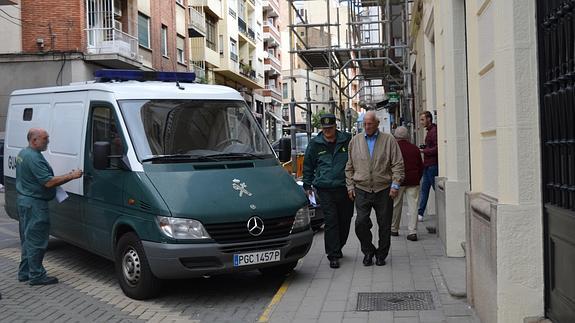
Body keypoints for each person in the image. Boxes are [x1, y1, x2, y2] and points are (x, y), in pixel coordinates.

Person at [16, 128, 83, 286]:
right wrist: (71, 175)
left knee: (27, 239)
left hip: (25, 201)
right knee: (37, 241)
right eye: (45, 139)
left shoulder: (23, 153)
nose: (48, 141)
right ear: (34, 141)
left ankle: (25, 272)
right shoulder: (34, 158)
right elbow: (48, 182)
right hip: (35, 204)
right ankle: (37, 275)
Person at [346, 111, 404, 266]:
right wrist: (350, 186)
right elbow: (349, 167)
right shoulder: (355, 141)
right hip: (362, 189)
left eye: (370, 123)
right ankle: (368, 250)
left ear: (377, 124)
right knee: (360, 222)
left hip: (383, 189)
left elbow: (398, 164)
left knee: (384, 224)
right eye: (364, 124)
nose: (367, 126)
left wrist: (395, 185)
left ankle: (381, 254)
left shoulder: (389, 140)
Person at [303, 114, 353, 269]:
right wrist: (307, 185)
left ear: (335, 127)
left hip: (345, 188)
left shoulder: (347, 140)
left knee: (345, 220)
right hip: (324, 189)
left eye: (330, 128)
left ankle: (339, 246)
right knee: (331, 221)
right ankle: (333, 254)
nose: (327, 131)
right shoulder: (315, 144)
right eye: (324, 129)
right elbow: (308, 166)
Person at [391, 126, 424, 241]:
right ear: (407, 136)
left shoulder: (394, 148)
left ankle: (394, 229)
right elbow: (420, 166)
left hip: (397, 181)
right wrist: (417, 178)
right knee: (413, 206)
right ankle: (412, 231)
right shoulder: (414, 148)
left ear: (395, 136)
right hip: (413, 180)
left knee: (396, 205)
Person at [417, 111, 438, 222]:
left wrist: (423, 150)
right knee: (424, 189)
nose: (421, 122)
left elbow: (436, 148)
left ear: (429, 119)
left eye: (422, 119)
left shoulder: (434, 131)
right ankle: (420, 213)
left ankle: (422, 213)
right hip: (428, 165)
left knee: (434, 189)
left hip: (432, 165)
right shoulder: (430, 131)